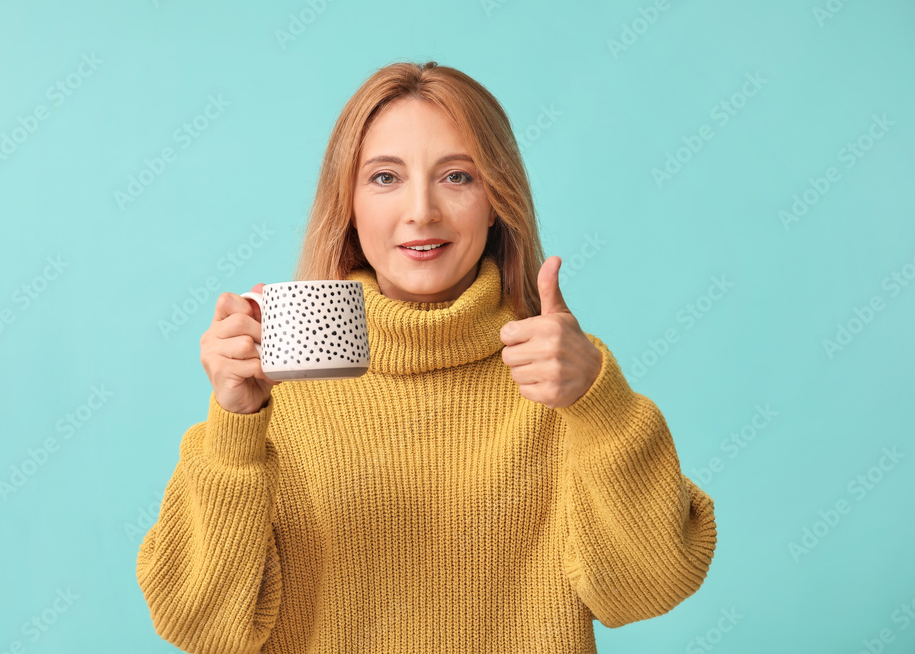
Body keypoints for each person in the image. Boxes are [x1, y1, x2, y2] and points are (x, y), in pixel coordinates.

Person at [135, 60, 717, 653]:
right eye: (385, 178)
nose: (421, 211)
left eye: (458, 177)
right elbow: (198, 626)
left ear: (497, 201)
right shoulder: (273, 387)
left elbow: (648, 588)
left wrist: (603, 407)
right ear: (349, 205)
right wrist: (233, 427)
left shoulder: (561, 379)